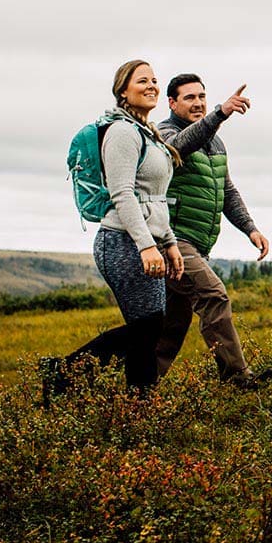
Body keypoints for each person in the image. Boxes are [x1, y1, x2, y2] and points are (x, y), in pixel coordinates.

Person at [43, 60, 184, 400]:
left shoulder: (146, 133)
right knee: (147, 327)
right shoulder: (122, 132)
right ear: (123, 90)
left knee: (148, 329)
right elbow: (123, 193)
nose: (151, 85)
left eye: (154, 80)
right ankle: (63, 372)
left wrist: (169, 243)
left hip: (142, 240)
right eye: (142, 80)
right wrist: (146, 246)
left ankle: (138, 404)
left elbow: (154, 198)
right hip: (122, 241)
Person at [153, 73, 272, 389]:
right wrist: (219, 113)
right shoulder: (164, 133)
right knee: (214, 295)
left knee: (171, 327)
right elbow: (179, 147)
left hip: (197, 244)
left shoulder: (215, 141)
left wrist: (250, 229)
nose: (198, 103)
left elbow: (227, 189)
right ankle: (237, 377)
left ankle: (139, 389)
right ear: (171, 102)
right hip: (173, 241)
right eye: (189, 97)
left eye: (202, 97)